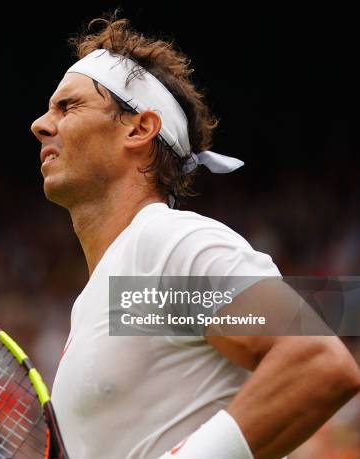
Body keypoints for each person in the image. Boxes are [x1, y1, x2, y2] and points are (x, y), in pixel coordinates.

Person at [30, 15, 360, 459]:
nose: (40, 124)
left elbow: (317, 363)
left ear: (139, 128)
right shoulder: (112, 296)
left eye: (68, 107)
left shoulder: (167, 244)